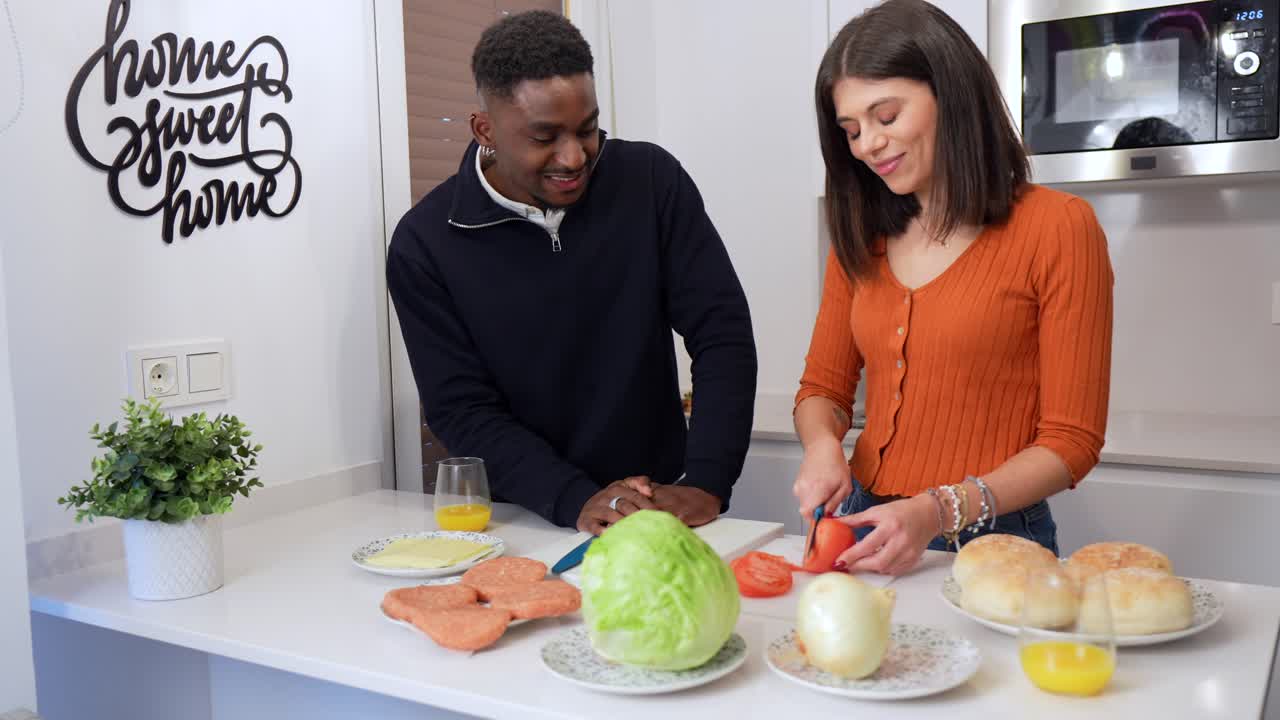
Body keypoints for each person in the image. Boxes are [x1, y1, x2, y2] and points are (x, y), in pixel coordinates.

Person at [386, 10, 757, 536]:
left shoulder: (651, 182)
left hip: (663, 503)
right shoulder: (425, 244)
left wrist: (707, 480)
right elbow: (461, 410)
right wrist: (572, 497)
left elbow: (722, 333)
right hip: (530, 518)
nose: (573, 156)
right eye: (545, 136)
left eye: (586, 129)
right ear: (484, 129)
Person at [793, 0, 1113, 575]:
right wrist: (822, 447)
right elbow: (823, 388)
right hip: (864, 525)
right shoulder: (862, 238)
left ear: (952, 95)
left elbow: (1072, 442)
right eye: (851, 130)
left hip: (996, 542)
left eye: (885, 116)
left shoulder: (1059, 227)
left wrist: (937, 509)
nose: (866, 144)